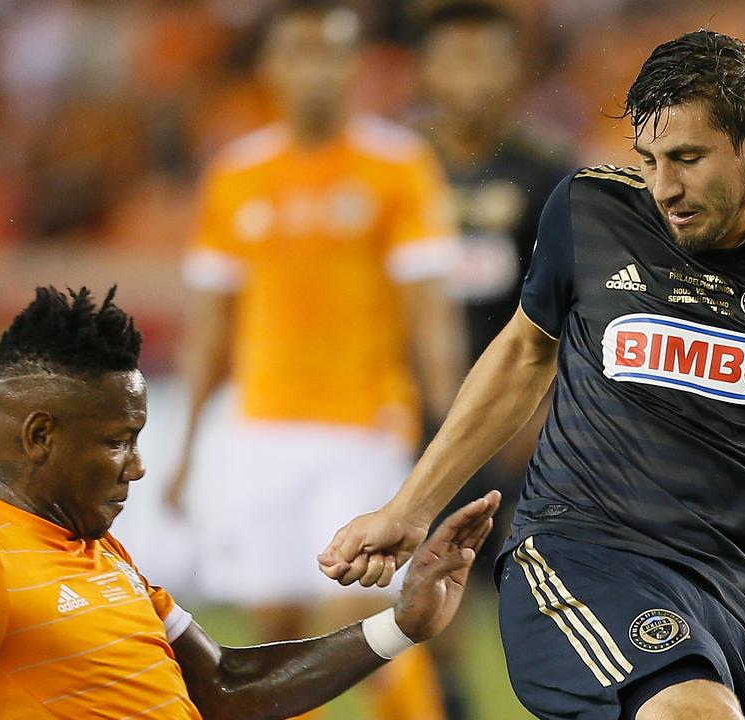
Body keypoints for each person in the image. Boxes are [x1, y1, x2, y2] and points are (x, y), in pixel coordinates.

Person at [320, 16, 745, 720]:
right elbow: (525, 351)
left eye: (688, 158)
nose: (664, 187)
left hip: (726, 599)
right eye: (649, 160)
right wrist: (409, 510)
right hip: (579, 558)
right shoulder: (591, 209)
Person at [0, 286, 499, 720]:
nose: (137, 466)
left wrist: (401, 625)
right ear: (41, 436)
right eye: (119, 441)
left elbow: (226, 684)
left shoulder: (99, 551)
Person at [165, 1, 465, 717]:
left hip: (363, 425)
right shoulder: (235, 176)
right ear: (270, 67)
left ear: (355, 67)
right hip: (262, 428)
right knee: (270, 627)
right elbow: (212, 325)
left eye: (331, 53)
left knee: (358, 613)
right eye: (300, 52)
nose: (317, 70)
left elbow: (430, 311)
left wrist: (451, 428)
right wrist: (185, 448)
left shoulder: (398, 168)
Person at [411, 4, 574, 717]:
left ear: (516, 71)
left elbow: (575, 304)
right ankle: (450, 702)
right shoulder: (399, 166)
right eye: (457, 58)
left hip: (515, 409)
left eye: (488, 59)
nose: (473, 77)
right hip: (414, 405)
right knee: (427, 569)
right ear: (428, 67)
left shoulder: (547, 171)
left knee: (539, 579)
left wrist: (544, 410)